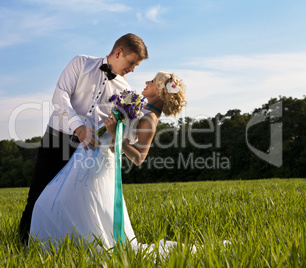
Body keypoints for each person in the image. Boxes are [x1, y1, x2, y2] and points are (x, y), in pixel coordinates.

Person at [29, 71, 187, 253]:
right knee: (63, 203)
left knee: (72, 204)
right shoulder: (141, 107)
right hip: (90, 153)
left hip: (99, 163)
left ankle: (82, 248)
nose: (146, 82)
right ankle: (69, 246)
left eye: (151, 81)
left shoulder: (150, 119)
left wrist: (115, 136)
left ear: (159, 91)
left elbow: (138, 158)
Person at [19, 33, 148, 245]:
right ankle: (24, 245)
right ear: (118, 52)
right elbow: (59, 96)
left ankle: (62, 244)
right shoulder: (81, 62)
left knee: (76, 201)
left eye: (136, 66)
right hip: (57, 138)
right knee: (38, 193)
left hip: (88, 149)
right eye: (131, 63)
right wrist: (78, 127)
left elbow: (120, 129)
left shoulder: (126, 92)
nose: (133, 69)